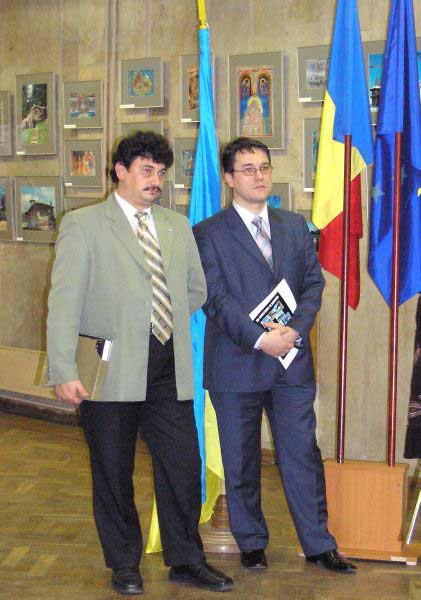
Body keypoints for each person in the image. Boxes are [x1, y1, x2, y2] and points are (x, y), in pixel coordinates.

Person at [47, 131, 233, 595]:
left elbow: (195, 289)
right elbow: (63, 302)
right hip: (109, 369)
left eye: (161, 173)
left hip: (168, 364)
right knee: (113, 473)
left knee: (183, 468)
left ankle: (186, 559)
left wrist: (157, 318)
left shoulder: (175, 225)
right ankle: (124, 564)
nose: (156, 181)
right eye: (147, 170)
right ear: (121, 171)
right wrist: (63, 370)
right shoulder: (84, 224)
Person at [193, 136, 356, 574]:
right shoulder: (208, 233)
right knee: (241, 459)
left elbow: (313, 284)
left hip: (291, 363)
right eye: (247, 169)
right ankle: (251, 542)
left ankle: (319, 544)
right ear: (229, 178)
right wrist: (259, 338)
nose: (259, 175)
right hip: (236, 363)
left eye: (264, 167)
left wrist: (294, 330)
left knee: (302, 454)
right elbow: (215, 298)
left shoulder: (294, 226)